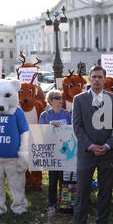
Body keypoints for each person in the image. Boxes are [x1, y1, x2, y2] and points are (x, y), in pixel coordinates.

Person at [67, 65, 113, 224]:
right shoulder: (79, 99)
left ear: (105, 79)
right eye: (93, 77)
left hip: (107, 154)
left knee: (105, 192)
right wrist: (90, 146)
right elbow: (77, 126)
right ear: (89, 79)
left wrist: (107, 145)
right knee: (82, 192)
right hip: (86, 154)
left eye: (99, 77)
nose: (96, 80)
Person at [39, 89, 72, 217]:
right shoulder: (45, 115)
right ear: (51, 101)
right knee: (52, 181)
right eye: (58, 98)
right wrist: (49, 125)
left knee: (65, 179)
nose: (61, 100)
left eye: (62, 98)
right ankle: (52, 205)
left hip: (65, 151)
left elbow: (71, 130)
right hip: (52, 152)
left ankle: (65, 204)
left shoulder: (66, 114)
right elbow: (40, 131)